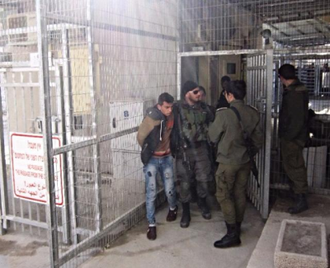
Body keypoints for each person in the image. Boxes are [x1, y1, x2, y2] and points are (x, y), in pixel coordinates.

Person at [209, 80, 263, 248]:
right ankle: (237, 227)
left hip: (227, 163)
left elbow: (212, 137)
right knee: (240, 193)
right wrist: (247, 153)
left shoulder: (224, 114)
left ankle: (232, 234)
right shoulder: (253, 113)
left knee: (223, 195)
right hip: (245, 161)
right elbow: (259, 140)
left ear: (229, 95)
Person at [137, 92, 178, 240]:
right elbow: (140, 137)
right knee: (151, 192)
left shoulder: (172, 116)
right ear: (159, 106)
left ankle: (173, 208)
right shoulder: (151, 118)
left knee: (169, 188)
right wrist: (149, 150)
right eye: (166, 107)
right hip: (152, 160)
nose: (169, 110)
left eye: (171, 107)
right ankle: (151, 225)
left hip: (166, 158)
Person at [176, 81, 214, 228]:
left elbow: (213, 121)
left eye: (199, 92)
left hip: (201, 148)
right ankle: (185, 211)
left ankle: (202, 202)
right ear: (187, 94)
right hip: (184, 150)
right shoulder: (177, 109)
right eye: (196, 92)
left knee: (204, 179)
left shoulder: (204, 107)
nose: (200, 94)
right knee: (184, 182)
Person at [278, 64, 309, 214]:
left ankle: (301, 199)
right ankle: (296, 194)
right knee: (292, 166)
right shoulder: (298, 89)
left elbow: (296, 120)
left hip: (293, 138)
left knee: (295, 167)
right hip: (295, 136)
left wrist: (288, 138)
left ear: (282, 78)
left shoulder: (294, 94)